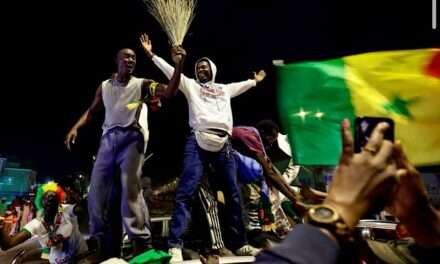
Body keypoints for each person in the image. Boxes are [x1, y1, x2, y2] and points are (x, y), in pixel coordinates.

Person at [139, 33, 266, 262]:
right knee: (186, 191)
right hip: (197, 141)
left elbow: (243, 85)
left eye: (205, 68)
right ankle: (175, 245)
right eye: (198, 68)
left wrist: (255, 81)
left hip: (223, 144)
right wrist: (151, 54)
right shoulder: (190, 86)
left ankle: (240, 244)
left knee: (233, 194)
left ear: (213, 70)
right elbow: (170, 70)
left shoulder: (224, 89)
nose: (201, 70)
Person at [64, 46, 185, 260]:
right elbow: (92, 110)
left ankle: (140, 242)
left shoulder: (142, 84)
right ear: (117, 60)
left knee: (130, 187)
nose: (130, 60)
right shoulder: (104, 86)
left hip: (132, 138)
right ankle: (101, 242)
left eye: (134, 58)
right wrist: (76, 127)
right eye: (126, 57)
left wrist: (178, 65)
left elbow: (169, 92)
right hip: (108, 139)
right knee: (97, 192)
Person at [0, 181, 88, 264]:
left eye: (53, 197)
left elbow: (80, 209)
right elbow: (7, 245)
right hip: (55, 257)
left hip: (80, 256)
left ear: (58, 201)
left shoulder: (65, 210)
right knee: (28, 256)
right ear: (41, 202)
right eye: (47, 197)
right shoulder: (36, 224)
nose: (50, 199)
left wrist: (79, 199)